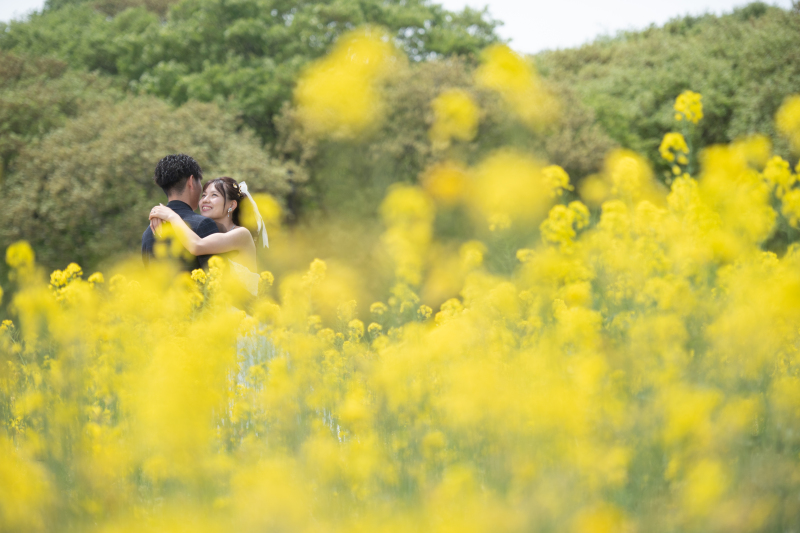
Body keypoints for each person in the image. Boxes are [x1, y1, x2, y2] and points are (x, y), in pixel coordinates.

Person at [148, 176, 268, 297]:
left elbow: (196, 246)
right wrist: (157, 213)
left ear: (232, 205)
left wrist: (171, 216)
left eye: (214, 195)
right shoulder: (206, 233)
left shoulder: (242, 234)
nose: (205, 200)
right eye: (204, 195)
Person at [142, 154, 219, 270]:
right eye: (200, 182)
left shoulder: (148, 233)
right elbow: (217, 277)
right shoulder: (203, 224)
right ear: (191, 181)